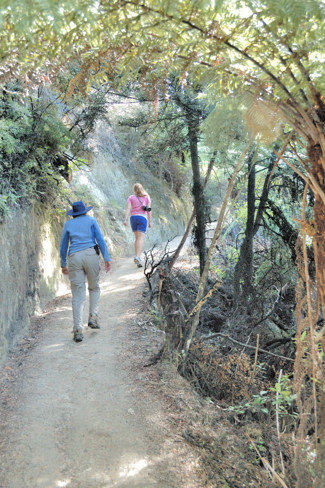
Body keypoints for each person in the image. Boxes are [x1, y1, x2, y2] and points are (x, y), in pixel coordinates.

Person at [60, 201, 111, 342]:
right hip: (90, 255)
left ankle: (77, 329)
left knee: (78, 295)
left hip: (74, 257)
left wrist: (63, 263)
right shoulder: (91, 221)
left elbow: (63, 245)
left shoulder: (68, 225)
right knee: (94, 288)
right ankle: (93, 317)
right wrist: (107, 258)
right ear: (85, 211)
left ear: (73, 214)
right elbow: (100, 239)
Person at [123, 183, 151, 268]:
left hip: (133, 218)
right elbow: (149, 210)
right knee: (140, 238)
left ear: (134, 190)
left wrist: (125, 219)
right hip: (142, 218)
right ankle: (138, 257)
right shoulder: (147, 197)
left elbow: (128, 208)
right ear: (142, 189)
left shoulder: (131, 197)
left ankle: (137, 257)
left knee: (137, 238)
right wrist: (150, 221)